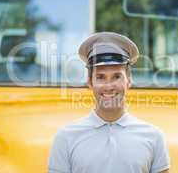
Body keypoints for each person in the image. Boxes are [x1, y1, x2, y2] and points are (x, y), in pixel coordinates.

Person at [48, 32, 170, 173]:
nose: (108, 86)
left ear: (128, 81)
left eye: (116, 76)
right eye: (100, 77)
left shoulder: (154, 137)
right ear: (89, 82)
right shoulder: (66, 138)